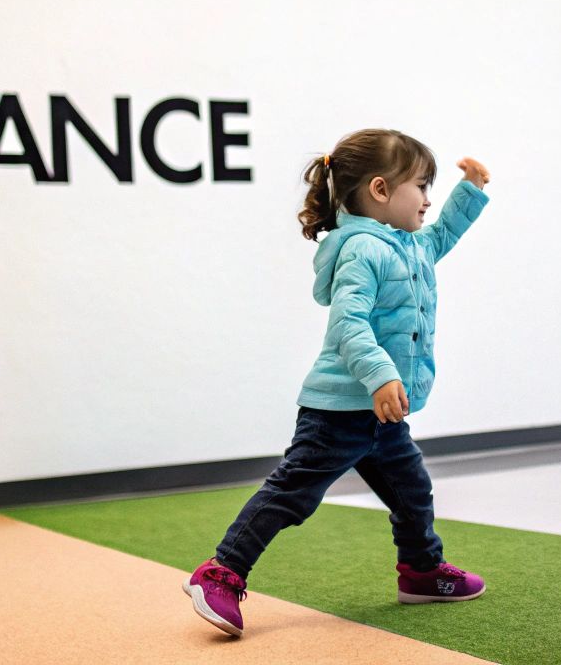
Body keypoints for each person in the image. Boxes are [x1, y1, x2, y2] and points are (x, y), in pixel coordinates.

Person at [184, 129, 492, 637]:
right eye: (421, 186)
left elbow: (439, 237)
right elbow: (349, 324)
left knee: (412, 490)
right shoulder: (362, 252)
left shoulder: (409, 246)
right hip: (337, 411)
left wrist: (470, 191)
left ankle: (420, 571)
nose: (428, 199)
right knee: (292, 495)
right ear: (379, 190)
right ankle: (219, 573)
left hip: (381, 416)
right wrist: (381, 374)